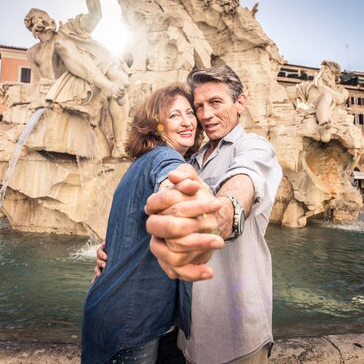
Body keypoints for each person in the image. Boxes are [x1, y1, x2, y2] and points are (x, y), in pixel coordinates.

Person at [96, 65, 283, 363]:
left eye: (216, 102)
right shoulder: (189, 161)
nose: (205, 114)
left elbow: (245, 180)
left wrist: (222, 214)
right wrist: (118, 252)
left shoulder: (254, 147)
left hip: (236, 334)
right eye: (199, 106)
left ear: (241, 103)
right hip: (187, 338)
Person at [82, 84, 212, 364]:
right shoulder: (166, 158)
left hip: (120, 309)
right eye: (174, 115)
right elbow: (172, 181)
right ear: (157, 126)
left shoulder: (142, 162)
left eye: (189, 113)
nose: (187, 121)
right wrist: (183, 195)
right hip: (131, 319)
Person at [24, 0, 130, 158]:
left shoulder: (69, 29)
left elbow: (96, 13)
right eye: (36, 20)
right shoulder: (34, 52)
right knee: (63, 45)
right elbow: (36, 82)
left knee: (121, 80)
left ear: (51, 19)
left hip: (86, 79)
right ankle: (107, 85)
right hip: (60, 89)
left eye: (43, 17)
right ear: (32, 30)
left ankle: (119, 144)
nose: (41, 21)